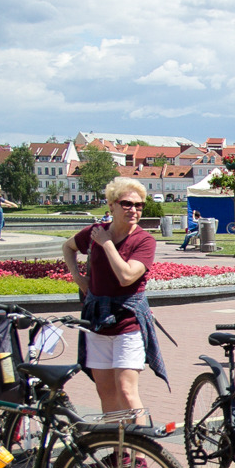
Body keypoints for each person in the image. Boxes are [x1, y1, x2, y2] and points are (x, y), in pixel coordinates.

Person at [60, 177, 167, 422]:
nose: (134, 210)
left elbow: (126, 276)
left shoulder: (143, 240)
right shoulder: (94, 232)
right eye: (127, 203)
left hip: (128, 323)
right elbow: (68, 247)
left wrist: (106, 244)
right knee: (106, 391)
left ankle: (140, 454)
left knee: (127, 391)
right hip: (98, 321)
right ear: (112, 205)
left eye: (139, 205)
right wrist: (79, 279)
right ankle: (117, 450)